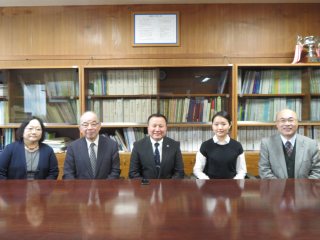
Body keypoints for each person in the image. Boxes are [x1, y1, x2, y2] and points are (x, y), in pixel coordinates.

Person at [259, 108, 320, 179]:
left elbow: (317, 171)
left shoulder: (311, 144)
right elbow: (264, 171)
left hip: (304, 188)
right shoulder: (266, 144)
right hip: (276, 189)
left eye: (291, 120)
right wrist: (280, 189)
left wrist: (303, 187)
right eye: (282, 121)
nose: (287, 124)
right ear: (277, 124)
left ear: (297, 123)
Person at [63, 111, 120, 179]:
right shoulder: (73, 147)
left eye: (93, 124)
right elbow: (68, 174)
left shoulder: (112, 145)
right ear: (80, 128)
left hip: (105, 188)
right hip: (81, 188)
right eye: (85, 124)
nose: (90, 128)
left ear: (99, 126)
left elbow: (115, 172)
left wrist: (104, 188)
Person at [193, 111, 247, 179]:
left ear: (230, 125)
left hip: (232, 186)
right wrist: (207, 182)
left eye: (223, 124)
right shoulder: (205, 146)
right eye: (216, 124)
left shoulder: (237, 146)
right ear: (212, 126)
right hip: (209, 185)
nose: (220, 128)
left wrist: (234, 183)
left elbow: (242, 171)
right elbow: (197, 170)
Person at [129, 113, 184, 179]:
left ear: (166, 128)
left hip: (168, 187)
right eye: (154, 126)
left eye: (161, 126)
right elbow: (133, 173)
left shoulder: (175, 145)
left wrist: (169, 187)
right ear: (148, 128)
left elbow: (179, 172)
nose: (157, 129)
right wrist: (146, 186)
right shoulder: (138, 146)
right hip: (145, 187)